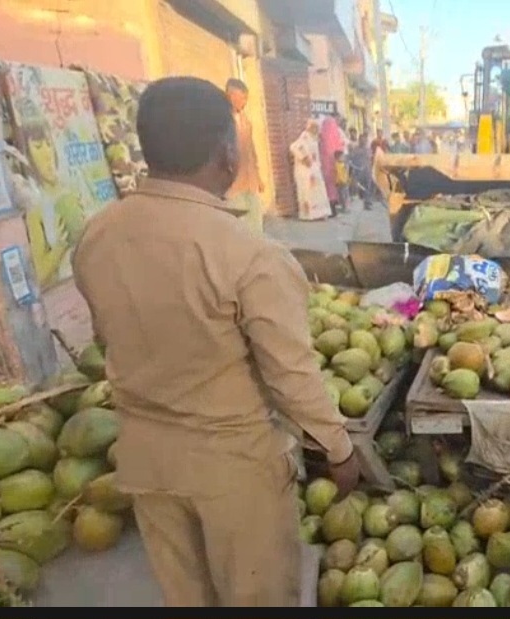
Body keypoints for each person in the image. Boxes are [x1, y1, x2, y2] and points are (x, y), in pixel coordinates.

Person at [71, 77, 359, 606]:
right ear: (228, 152)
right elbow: (291, 375)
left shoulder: (96, 235)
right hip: (234, 469)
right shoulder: (250, 255)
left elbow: (105, 337)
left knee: (187, 598)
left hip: (146, 458)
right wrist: (338, 448)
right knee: (258, 598)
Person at [223, 78, 266, 237]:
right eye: (242, 98)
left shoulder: (246, 121)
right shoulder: (222, 121)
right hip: (233, 184)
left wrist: (259, 177)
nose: (245, 102)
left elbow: (251, 150)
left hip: (250, 181)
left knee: (256, 221)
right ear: (230, 96)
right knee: (239, 225)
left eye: (246, 98)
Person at [289, 120, 332, 221]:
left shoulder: (313, 138)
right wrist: (304, 158)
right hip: (305, 171)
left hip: (314, 169)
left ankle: (319, 214)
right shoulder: (305, 136)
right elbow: (294, 147)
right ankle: (308, 215)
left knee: (317, 192)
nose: (317, 130)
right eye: (315, 127)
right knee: (307, 192)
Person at [318, 113, 345, 217]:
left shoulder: (325, 129)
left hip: (326, 163)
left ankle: (331, 209)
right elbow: (339, 146)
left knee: (329, 186)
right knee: (334, 186)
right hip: (334, 162)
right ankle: (334, 209)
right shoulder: (334, 129)